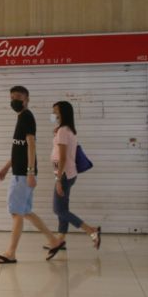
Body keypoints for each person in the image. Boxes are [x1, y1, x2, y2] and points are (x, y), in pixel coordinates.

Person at [0, 86, 61, 264]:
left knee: (16, 213)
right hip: (20, 172)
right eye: (12, 97)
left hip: (23, 174)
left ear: (27, 99)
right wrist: (6, 167)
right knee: (26, 212)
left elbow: (31, 145)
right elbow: (19, 148)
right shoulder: (22, 117)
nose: (15, 100)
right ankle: (54, 241)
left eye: (19, 97)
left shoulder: (26, 117)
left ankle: (10, 253)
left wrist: (30, 172)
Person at [45, 101, 100, 259]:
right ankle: (60, 240)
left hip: (64, 175)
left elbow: (62, 157)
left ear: (63, 113)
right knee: (62, 209)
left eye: (55, 112)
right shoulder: (66, 130)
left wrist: (58, 179)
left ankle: (91, 230)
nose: (53, 115)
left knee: (59, 210)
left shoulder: (63, 130)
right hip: (67, 173)